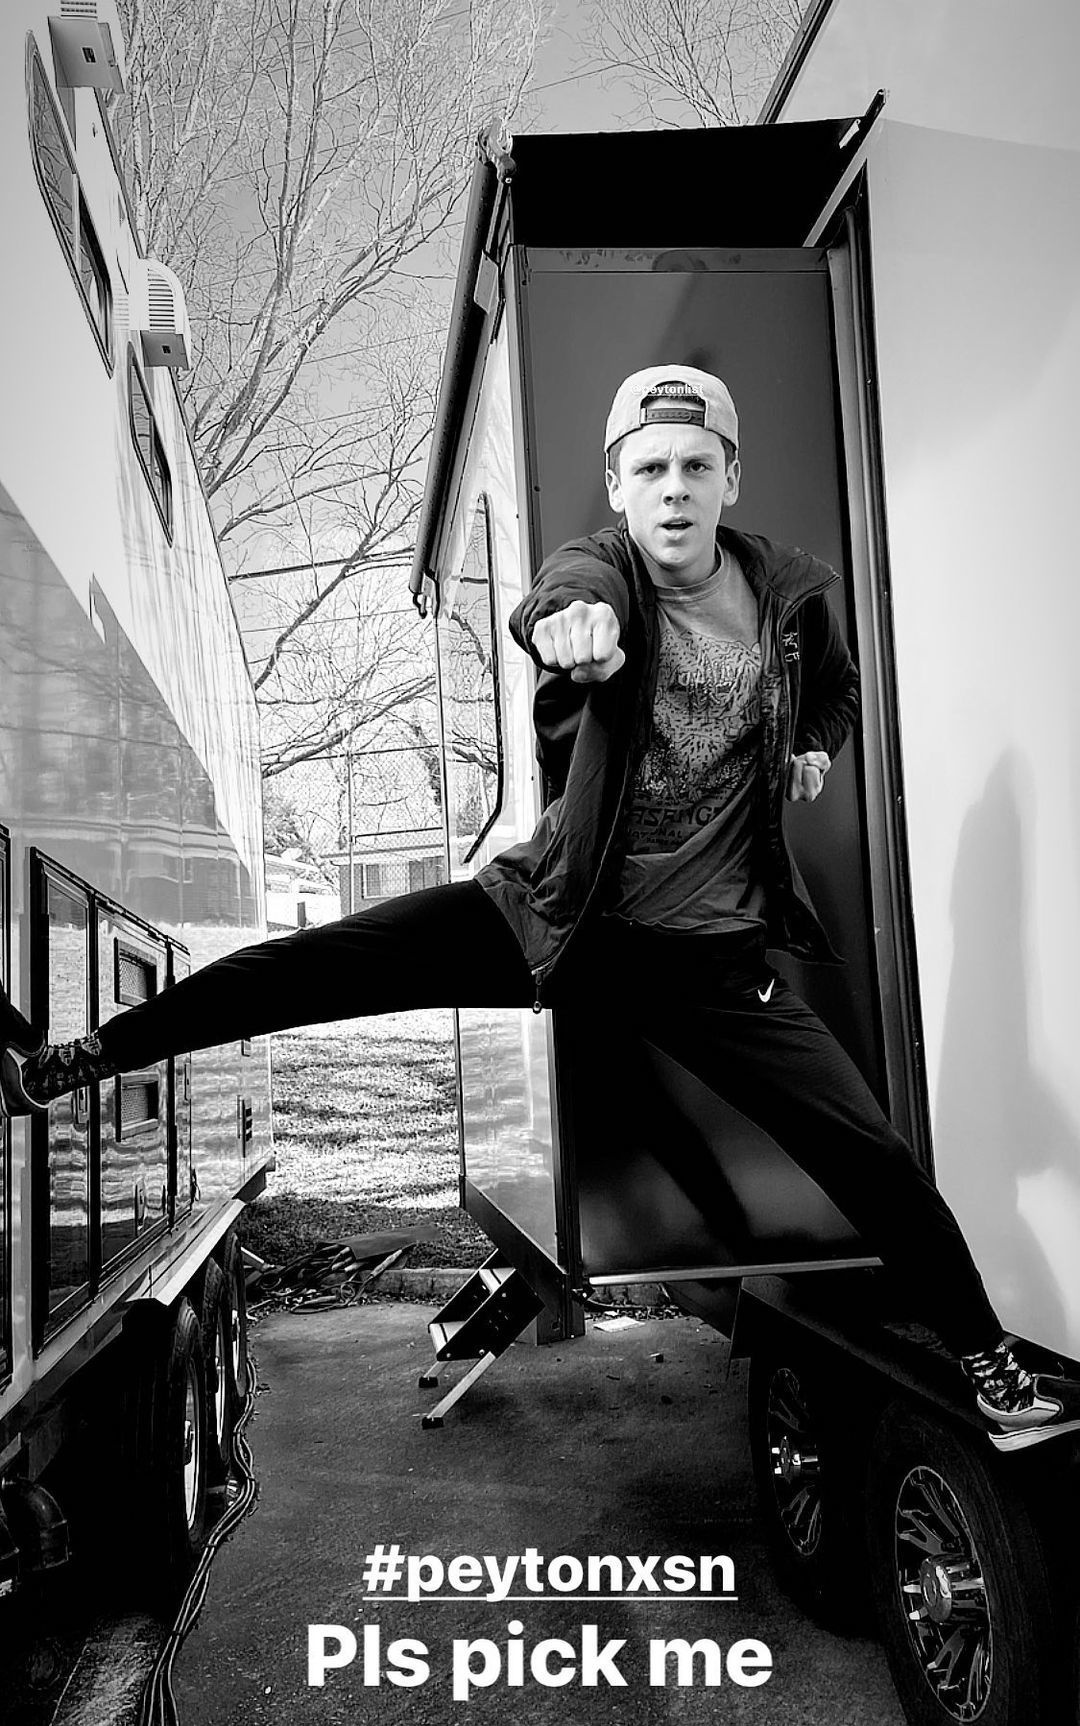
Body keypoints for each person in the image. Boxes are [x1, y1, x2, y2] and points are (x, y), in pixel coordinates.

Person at [1, 364, 1074, 1449]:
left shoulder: (790, 602)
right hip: (559, 918)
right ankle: (76, 1061)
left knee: (866, 1151)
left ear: (730, 478)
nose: (672, 488)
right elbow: (561, 594)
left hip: (708, 960)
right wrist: (570, 629)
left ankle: (990, 1369)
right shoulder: (605, 576)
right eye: (648, 469)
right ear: (617, 485)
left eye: (695, 466)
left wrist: (810, 746)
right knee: (313, 968)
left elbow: (835, 689)